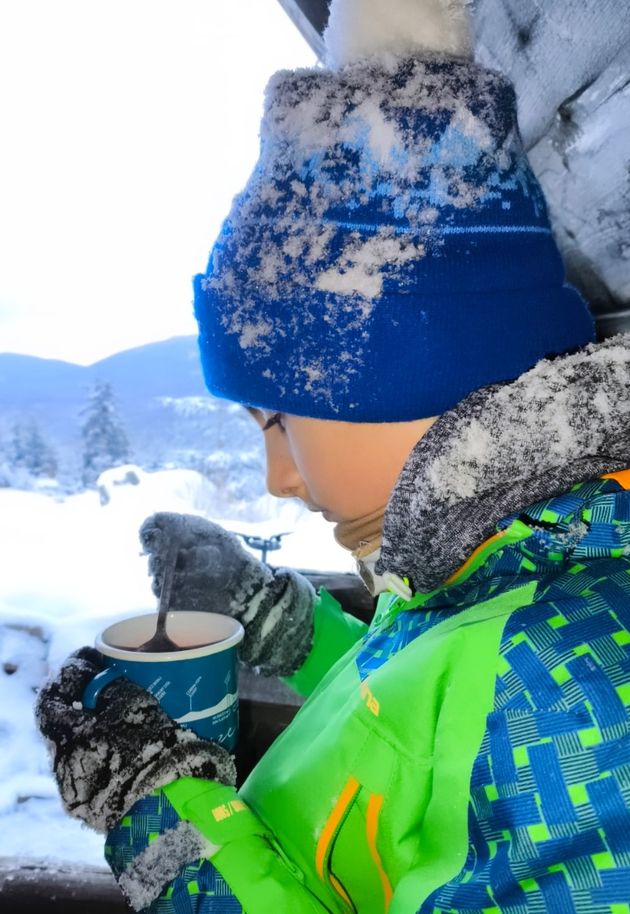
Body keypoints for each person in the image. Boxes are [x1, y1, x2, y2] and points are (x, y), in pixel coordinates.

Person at [36, 1, 630, 911]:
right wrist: (282, 622)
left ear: (403, 374)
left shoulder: (587, 683)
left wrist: (157, 812)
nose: (278, 477)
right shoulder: (497, 563)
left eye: (278, 421)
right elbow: (416, 711)